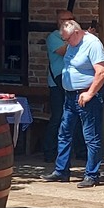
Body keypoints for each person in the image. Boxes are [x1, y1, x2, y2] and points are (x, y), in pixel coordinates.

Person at [41, 18, 104, 187]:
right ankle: (61, 170)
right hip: (70, 96)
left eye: (67, 38)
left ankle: (92, 174)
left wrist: (90, 93)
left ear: (77, 33)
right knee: (64, 132)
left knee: (91, 136)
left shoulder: (93, 44)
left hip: (87, 96)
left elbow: (101, 72)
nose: (66, 42)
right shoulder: (72, 42)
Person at [43, 9, 74, 162]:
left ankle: (73, 152)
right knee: (57, 117)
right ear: (58, 21)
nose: (68, 22)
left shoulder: (74, 37)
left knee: (72, 117)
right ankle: (49, 152)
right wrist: (79, 38)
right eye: (64, 19)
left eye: (71, 19)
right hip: (56, 82)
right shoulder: (53, 37)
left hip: (70, 82)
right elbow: (64, 51)